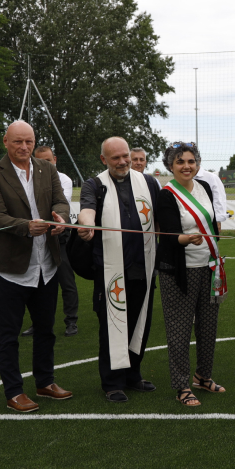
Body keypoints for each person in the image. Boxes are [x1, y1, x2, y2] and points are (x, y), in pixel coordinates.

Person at [0, 120, 73, 413]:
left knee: (46, 329)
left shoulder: (48, 169)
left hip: (47, 264)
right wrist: (25, 226)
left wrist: (59, 218)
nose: (23, 147)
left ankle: (45, 382)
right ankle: (14, 391)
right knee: (9, 334)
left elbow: (60, 201)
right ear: (5, 141)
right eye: (17, 141)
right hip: (11, 269)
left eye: (29, 142)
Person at [77, 138, 161, 401]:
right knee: (112, 326)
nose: (123, 162)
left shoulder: (147, 182)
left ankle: (133, 375)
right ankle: (112, 382)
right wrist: (86, 225)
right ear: (104, 160)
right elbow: (87, 211)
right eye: (116, 158)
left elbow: (159, 217)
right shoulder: (95, 185)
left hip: (144, 267)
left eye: (126, 156)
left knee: (140, 323)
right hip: (111, 272)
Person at [155, 141, 227, 407]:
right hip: (179, 272)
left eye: (191, 161)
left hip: (209, 268)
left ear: (197, 163)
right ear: (171, 166)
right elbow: (169, 237)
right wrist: (185, 239)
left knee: (208, 327)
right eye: (180, 162)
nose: (187, 166)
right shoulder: (166, 194)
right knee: (179, 330)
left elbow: (212, 221)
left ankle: (203, 376)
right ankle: (182, 386)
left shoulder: (205, 187)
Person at [33, 145, 79, 337]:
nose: (44, 164)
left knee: (66, 280)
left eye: (48, 160)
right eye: (40, 161)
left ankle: (71, 321)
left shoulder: (64, 179)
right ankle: (39, 323)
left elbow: (60, 204)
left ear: (55, 160)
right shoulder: (29, 178)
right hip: (35, 235)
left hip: (58, 235)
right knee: (36, 281)